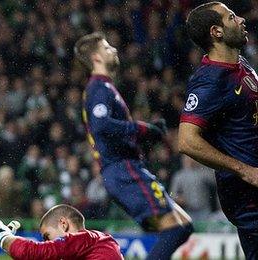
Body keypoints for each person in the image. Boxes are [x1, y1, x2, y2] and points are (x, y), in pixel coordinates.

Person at [75, 32, 193, 260]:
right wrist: (143, 129)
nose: (114, 50)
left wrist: (145, 133)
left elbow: (111, 130)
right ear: (96, 58)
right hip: (123, 170)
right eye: (107, 48)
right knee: (176, 229)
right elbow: (101, 125)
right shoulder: (99, 88)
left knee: (184, 226)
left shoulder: (104, 88)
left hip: (125, 169)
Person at [180, 2, 258, 258]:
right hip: (248, 195)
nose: (241, 20)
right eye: (232, 17)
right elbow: (187, 141)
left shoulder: (240, 64)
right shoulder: (209, 81)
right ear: (217, 31)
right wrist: (244, 170)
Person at [0, 204, 123, 260]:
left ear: (63, 224)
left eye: (47, 236)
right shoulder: (96, 244)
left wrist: (1, 235)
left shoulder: (87, 238)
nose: (47, 242)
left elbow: (35, 252)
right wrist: (9, 243)